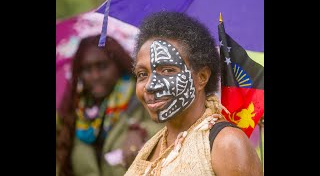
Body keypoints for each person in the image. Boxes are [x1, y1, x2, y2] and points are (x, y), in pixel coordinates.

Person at [125, 11, 263, 176]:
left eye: (168, 70)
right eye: (142, 74)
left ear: (201, 77)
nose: (150, 85)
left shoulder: (226, 144)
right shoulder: (151, 147)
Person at [56, 34, 164, 176]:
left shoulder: (146, 96)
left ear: (118, 65)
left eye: (102, 66)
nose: (95, 76)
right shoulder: (74, 110)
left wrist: (140, 131)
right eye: (87, 69)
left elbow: (171, 132)